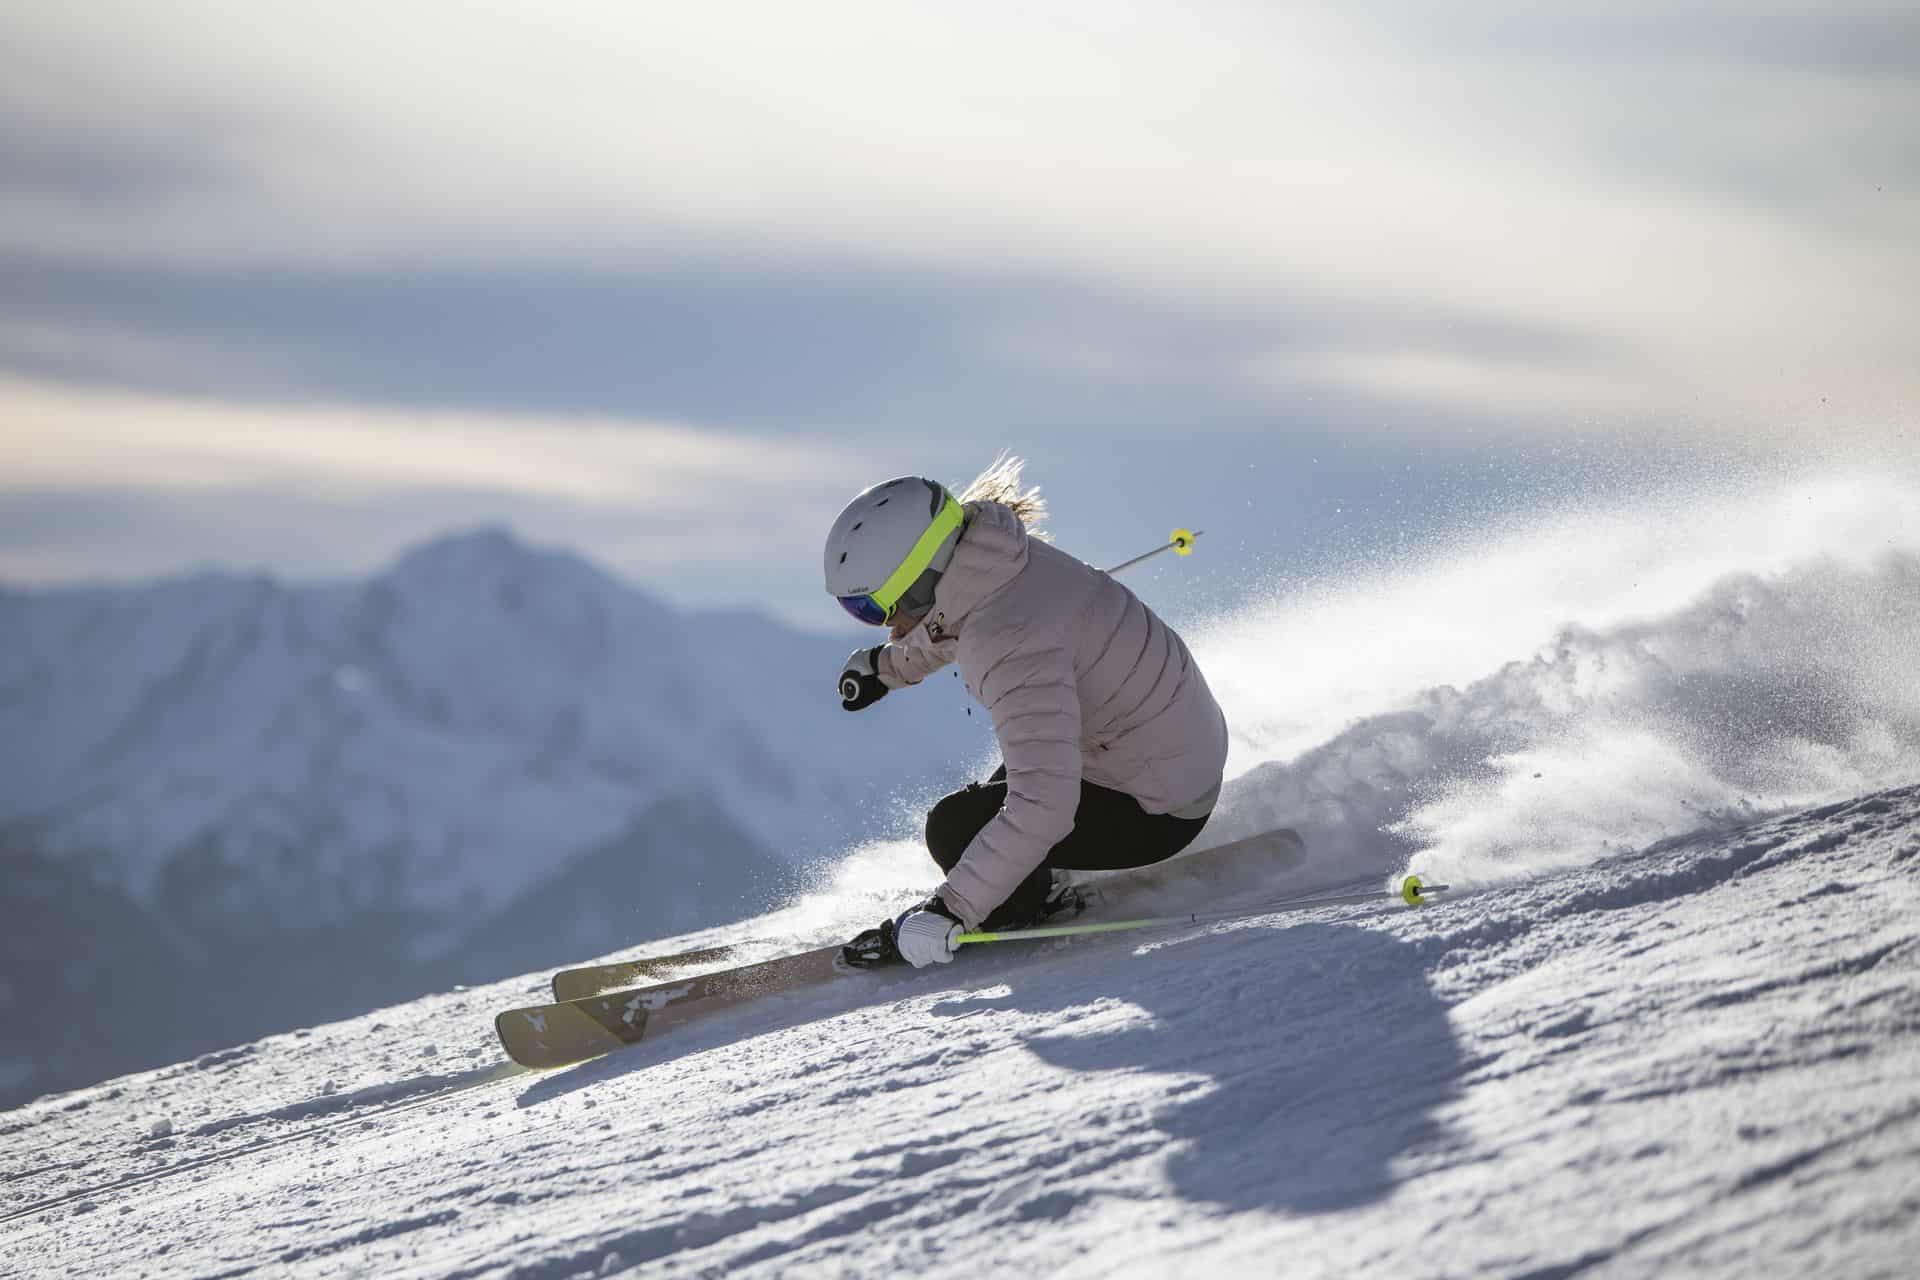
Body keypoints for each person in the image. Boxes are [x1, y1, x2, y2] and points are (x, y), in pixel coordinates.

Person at [824, 456, 1229, 969]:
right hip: (1163, 746)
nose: (879, 625)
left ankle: (1021, 905)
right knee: (997, 799)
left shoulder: (1007, 638)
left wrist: (950, 911)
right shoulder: (992, 561)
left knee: (953, 828)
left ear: (919, 580)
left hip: (1162, 805)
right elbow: (950, 624)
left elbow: (1045, 803)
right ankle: (1018, 876)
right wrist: (885, 668)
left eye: (871, 608)